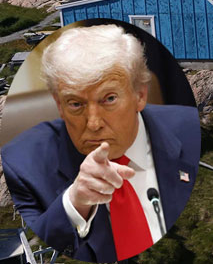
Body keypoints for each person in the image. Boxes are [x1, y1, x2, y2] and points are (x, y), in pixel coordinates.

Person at [1, 24, 200, 262]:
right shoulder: (22, 165)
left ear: (140, 95)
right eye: (75, 104)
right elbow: (50, 233)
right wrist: (75, 202)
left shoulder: (188, 129)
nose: (93, 123)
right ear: (59, 106)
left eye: (109, 99)